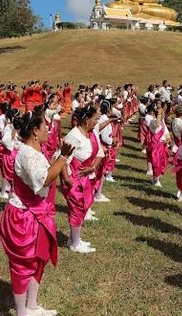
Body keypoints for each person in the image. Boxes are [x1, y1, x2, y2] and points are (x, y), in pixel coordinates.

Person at [0, 109, 74, 316]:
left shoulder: (35, 151)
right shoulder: (26, 154)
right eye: (44, 127)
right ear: (34, 131)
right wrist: (63, 157)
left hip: (37, 214)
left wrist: (61, 159)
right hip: (24, 217)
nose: (48, 130)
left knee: (38, 259)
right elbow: (44, 180)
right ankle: (22, 312)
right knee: (24, 264)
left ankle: (31, 306)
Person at [61, 105, 104, 253]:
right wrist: (68, 181)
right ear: (86, 120)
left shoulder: (91, 133)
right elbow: (61, 159)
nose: (97, 122)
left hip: (87, 178)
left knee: (82, 208)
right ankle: (74, 243)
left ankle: (75, 239)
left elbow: (99, 152)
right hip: (75, 180)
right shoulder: (74, 136)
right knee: (77, 209)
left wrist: (93, 168)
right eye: (95, 119)